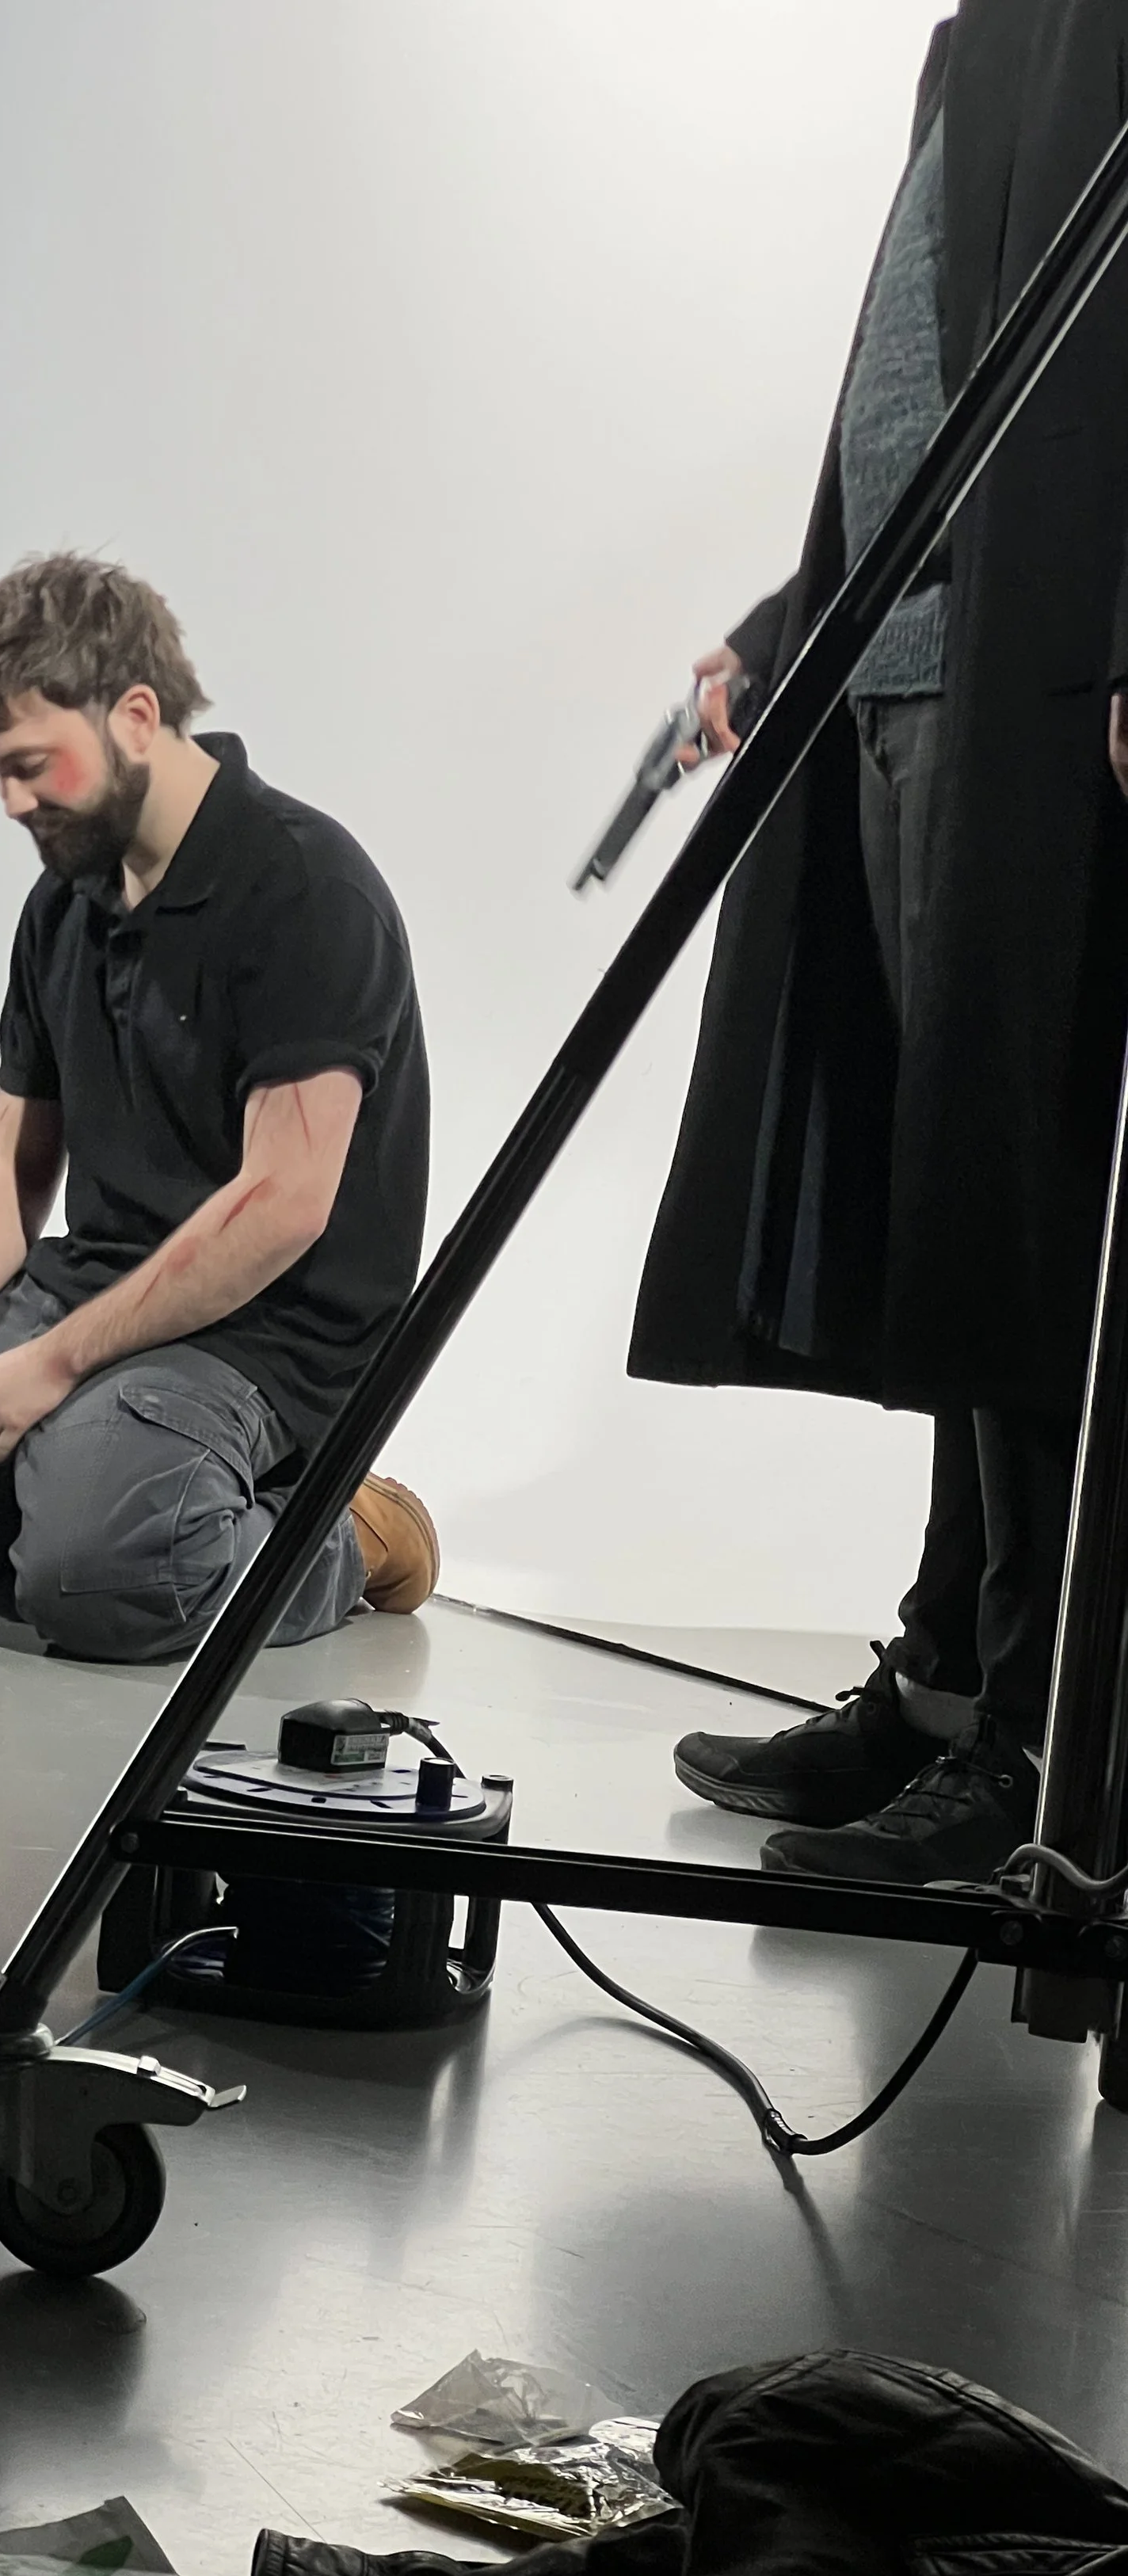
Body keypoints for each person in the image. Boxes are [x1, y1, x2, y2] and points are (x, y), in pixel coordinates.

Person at [633, 0, 1128, 1883]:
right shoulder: (975, 38)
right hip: (903, 683)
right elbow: (918, 384)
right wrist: (786, 623)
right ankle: (941, 1676)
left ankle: (1033, 1733)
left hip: (1037, 692)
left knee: (1018, 1219)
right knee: (936, 1219)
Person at [0, 553, 438, 1661]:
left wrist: (49, 1368)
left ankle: (346, 1530)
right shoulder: (67, 903)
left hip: (266, 1341)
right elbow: (12, 1157)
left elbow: (286, 1204)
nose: (11, 801)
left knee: (108, 1586)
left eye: (30, 765)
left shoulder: (306, 892)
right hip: (98, 1294)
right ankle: (82, 1487)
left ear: (135, 715)